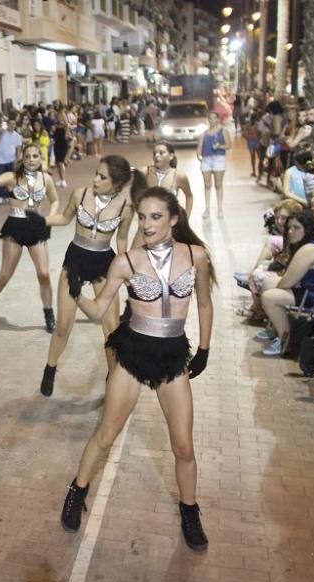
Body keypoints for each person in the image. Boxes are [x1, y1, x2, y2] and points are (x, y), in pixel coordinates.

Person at [60, 187, 215, 552]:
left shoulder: (196, 256)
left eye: (155, 216)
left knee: (183, 448)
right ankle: (76, 491)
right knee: (105, 435)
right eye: (142, 217)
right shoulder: (126, 261)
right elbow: (100, 311)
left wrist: (205, 348)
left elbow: (205, 304)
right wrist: (75, 292)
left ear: (174, 218)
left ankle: (190, 511)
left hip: (172, 356)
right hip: (132, 354)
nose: (146, 224)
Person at [41, 156, 145, 396]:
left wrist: (127, 272)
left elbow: (121, 240)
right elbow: (65, 218)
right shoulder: (80, 194)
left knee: (111, 328)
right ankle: (50, 367)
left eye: (102, 177)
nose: (95, 179)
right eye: (96, 173)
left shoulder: (125, 207)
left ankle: (113, 379)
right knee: (63, 327)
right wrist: (41, 220)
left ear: (117, 183)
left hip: (103, 264)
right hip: (75, 261)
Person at [0, 144, 60, 333]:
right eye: (28, 156)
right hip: (14, 225)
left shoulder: (46, 178)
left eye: (35, 156)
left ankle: (49, 314)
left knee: (44, 274)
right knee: (5, 275)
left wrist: (49, 220)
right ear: (22, 158)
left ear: (41, 158)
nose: (31, 159)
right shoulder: (12, 177)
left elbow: (55, 200)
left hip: (36, 226)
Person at [259, 210, 314, 357]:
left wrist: (278, 286)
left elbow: (287, 282)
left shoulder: (309, 249)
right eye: (289, 228)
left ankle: (286, 342)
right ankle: (275, 328)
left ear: (308, 228)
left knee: (269, 297)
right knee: (268, 282)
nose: (291, 232)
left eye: (296, 228)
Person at [196, 112, 231, 221]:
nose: (212, 120)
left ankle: (220, 208)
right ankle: (207, 208)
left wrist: (219, 146)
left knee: (218, 184)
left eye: (214, 118)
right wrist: (198, 155)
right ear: (208, 120)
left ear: (217, 119)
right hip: (206, 159)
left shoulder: (223, 131)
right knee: (207, 185)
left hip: (218, 158)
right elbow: (200, 146)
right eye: (210, 118)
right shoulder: (204, 133)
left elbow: (229, 145)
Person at [146, 142, 193, 217]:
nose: (156, 155)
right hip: (149, 223)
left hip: (170, 224)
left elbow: (189, 196)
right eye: (154, 153)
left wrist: (186, 219)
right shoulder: (146, 172)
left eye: (161, 153)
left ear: (171, 156)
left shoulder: (179, 176)